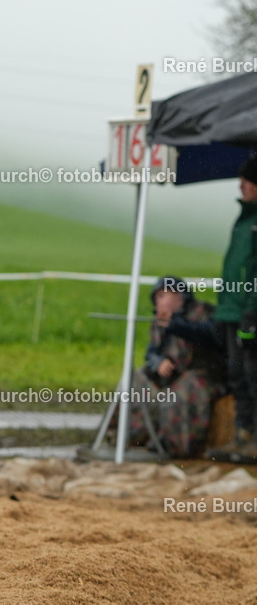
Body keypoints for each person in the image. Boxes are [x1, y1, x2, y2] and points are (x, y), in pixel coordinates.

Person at [107, 277, 224, 457]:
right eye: (156, 298)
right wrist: (158, 361)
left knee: (179, 392)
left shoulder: (204, 312)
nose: (158, 302)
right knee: (135, 380)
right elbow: (152, 351)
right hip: (171, 375)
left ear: (179, 295)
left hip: (203, 374)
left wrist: (175, 325)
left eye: (163, 296)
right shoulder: (161, 319)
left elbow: (207, 334)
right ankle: (127, 434)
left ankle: (174, 446)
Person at [212, 156, 257, 453]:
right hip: (232, 310)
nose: (240, 185)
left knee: (253, 374)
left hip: (249, 312)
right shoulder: (243, 220)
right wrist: (223, 309)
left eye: (246, 180)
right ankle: (244, 434)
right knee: (237, 372)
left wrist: (252, 311)